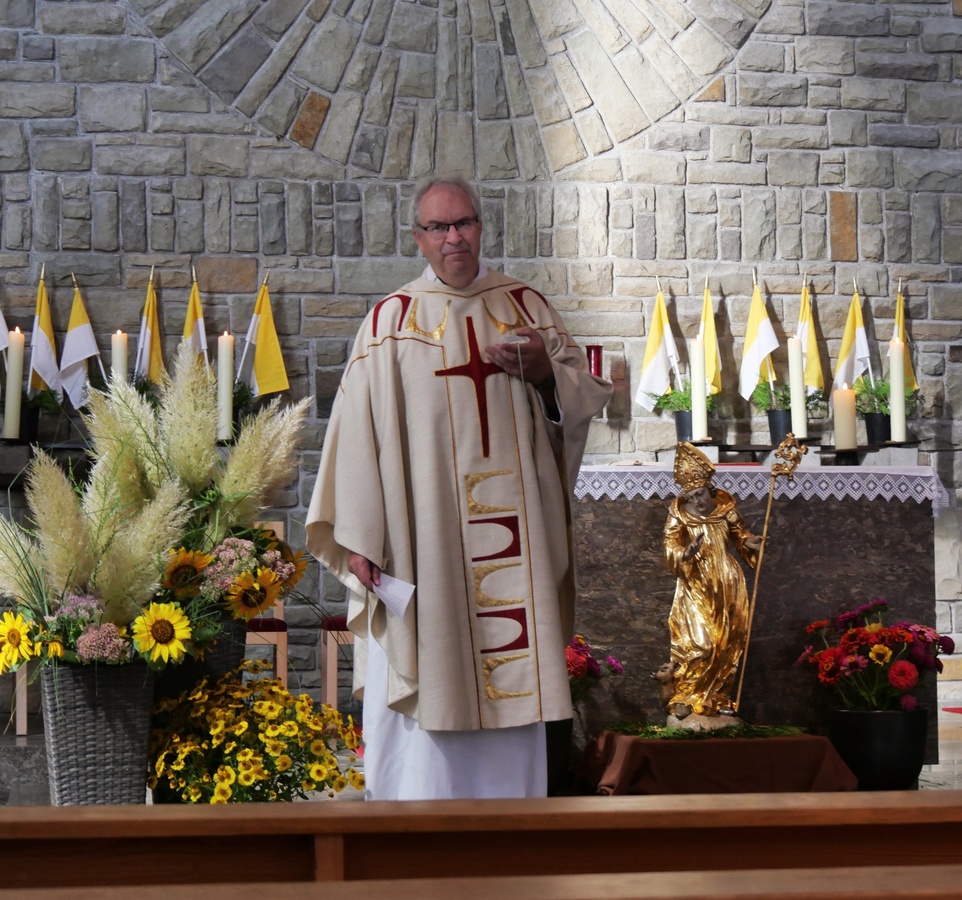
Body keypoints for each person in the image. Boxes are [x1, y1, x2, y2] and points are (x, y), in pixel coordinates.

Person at [306, 176, 612, 799]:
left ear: (481, 226)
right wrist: (360, 537)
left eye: (463, 223)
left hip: (512, 540)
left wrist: (546, 373)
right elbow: (357, 436)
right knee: (431, 660)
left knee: (511, 668)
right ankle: (413, 825)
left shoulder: (526, 309)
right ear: (418, 239)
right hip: (427, 542)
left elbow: (579, 402)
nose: (454, 238)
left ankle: (514, 832)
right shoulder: (389, 323)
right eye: (439, 228)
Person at [662, 441, 763, 719]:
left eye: (701, 493)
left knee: (726, 642)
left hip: (726, 581)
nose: (698, 500)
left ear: (710, 490)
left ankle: (714, 697)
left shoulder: (725, 508)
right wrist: (685, 553)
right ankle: (685, 695)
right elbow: (669, 544)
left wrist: (751, 543)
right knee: (701, 643)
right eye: (692, 496)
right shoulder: (678, 512)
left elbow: (739, 534)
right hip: (695, 582)